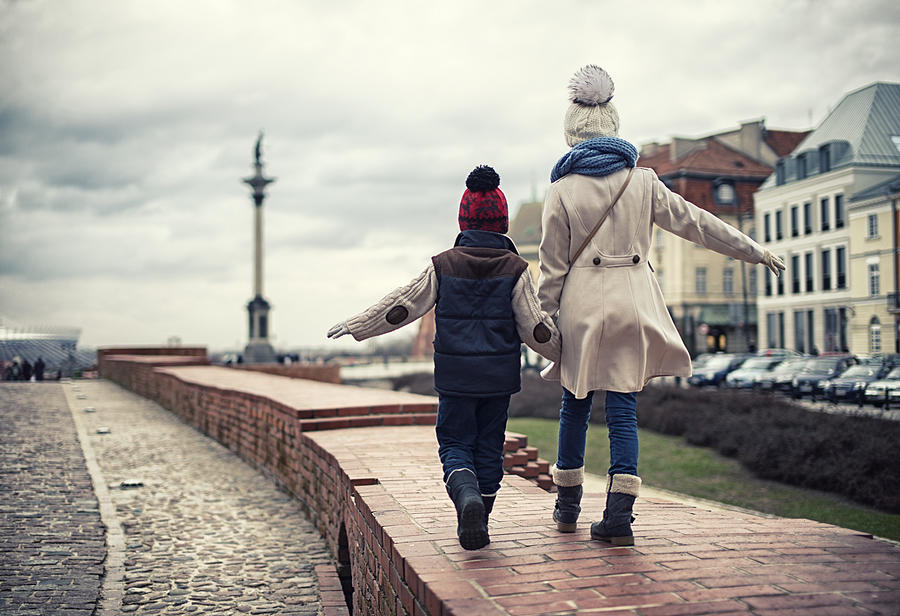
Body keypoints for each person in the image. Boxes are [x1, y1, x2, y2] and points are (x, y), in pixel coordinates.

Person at [537, 65, 785, 545]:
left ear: (572, 132)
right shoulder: (643, 181)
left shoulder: (562, 189)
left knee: (575, 405)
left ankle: (566, 509)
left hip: (582, 308)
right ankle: (618, 520)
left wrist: (546, 318)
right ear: (614, 126)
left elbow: (551, 264)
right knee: (625, 409)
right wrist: (754, 251)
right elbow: (700, 224)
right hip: (633, 302)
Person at [327, 165, 561, 550]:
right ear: (502, 223)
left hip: (455, 377)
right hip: (499, 379)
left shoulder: (443, 264)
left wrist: (358, 325)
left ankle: (465, 496)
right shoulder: (517, 269)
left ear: (463, 219)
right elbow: (535, 326)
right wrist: (568, 354)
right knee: (489, 445)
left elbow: (403, 305)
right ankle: (480, 515)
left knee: (455, 442)